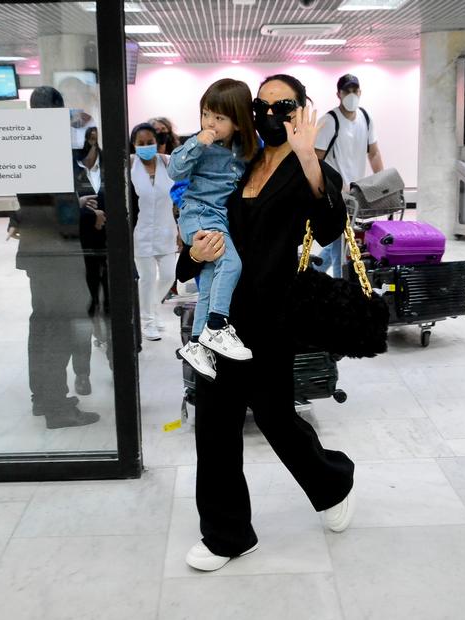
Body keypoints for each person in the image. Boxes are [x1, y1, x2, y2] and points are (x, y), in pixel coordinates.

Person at [175, 74, 355, 572]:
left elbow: (328, 228)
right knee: (213, 425)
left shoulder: (308, 166)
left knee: (276, 419)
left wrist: (308, 158)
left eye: (285, 105)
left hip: (271, 318)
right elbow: (199, 216)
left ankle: (331, 481)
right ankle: (227, 535)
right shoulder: (239, 160)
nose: (273, 114)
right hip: (220, 320)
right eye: (263, 105)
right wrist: (191, 253)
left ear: (302, 108)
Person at [7, 86, 99, 429]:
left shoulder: (26, 144)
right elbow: (54, 207)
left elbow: (29, 203)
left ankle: (42, 397)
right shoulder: (45, 147)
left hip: (39, 251)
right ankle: (56, 407)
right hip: (56, 252)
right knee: (58, 326)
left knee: (43, 324)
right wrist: (83, 207)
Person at [168, 78, 258, 374]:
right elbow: (174, 169)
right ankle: (217, 325)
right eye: (206, 114)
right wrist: (196, 142)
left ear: (239, 122)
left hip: (218, 216)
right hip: (200, 214)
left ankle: (195, 343)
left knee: (209, 279)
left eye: (219, 118)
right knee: (231, 264)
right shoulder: (200, 144)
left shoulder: (247, 148)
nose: (210, 122)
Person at [313, 73, 384, 277]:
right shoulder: (329, 121)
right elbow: (315, 159)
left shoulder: (366, 118)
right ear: (339, 94)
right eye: (347, 91)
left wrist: (381, 183)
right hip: (335, 194)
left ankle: (312, 272)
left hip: (355, 193)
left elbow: (374, 152)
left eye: (355, 90)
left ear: (360, 92)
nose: (351, 95)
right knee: (342, 241)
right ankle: (339, 282)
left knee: (342, 239)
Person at [129, 122, 178, 341]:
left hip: (167, 230)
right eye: (141, 143)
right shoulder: (129, 165)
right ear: (134, 144)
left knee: (168, 275)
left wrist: (180, 230)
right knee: (147, 278)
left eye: (150, 142)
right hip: (141, 232)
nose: (146, 146)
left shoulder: (167, 163)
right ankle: (147, 321)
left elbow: (178, 197)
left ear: (157, 143)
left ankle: (153, 309)